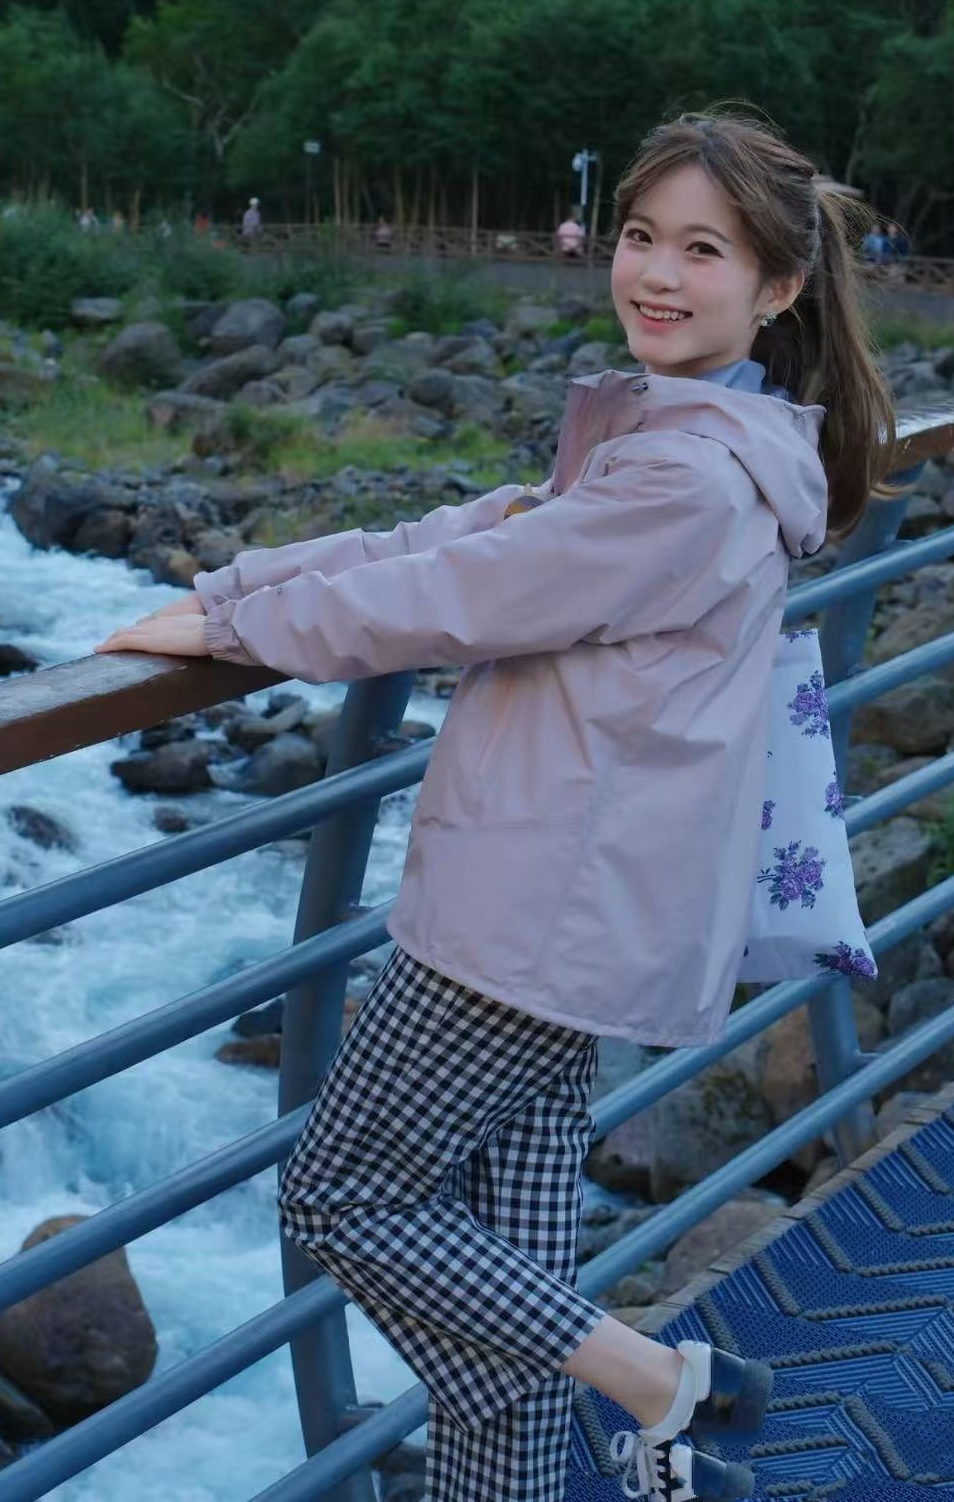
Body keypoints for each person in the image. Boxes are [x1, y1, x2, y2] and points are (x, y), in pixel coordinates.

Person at [94, 110, 897, 1502]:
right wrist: (234, 593)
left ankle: (659, 1382)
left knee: (344, 1195)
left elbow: (461, 593)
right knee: (505, 1301)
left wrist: (236, 629)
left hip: (529, 913)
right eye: (640, 235)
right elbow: (468, 532)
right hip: (584, 905)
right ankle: (607, 1424)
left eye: (703, 250)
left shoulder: (683, 479)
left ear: (777, 289)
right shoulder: (676, 436)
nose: (656, 272)